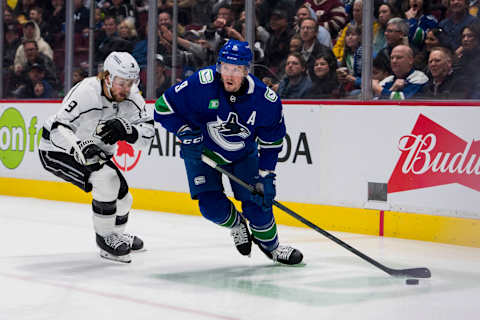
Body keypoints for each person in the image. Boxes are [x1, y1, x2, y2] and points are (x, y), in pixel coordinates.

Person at [153, 39, 303, 265]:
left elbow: (271, 143)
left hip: (242, 154)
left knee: (258, 205)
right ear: (219, 66)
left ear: (246, 70)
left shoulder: (265, 100)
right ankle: (237, 225)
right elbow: (162, 108)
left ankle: (273, 248)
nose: (229, 75)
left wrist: (267, 176)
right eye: (225, 68)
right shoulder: (201, 84)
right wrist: (184, 131)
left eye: (236, 69)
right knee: (210, 207)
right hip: (201, 152)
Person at [38, 52, 154, 263]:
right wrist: (79, 147)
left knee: (125, 198)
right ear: (107, 77)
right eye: (121, 82)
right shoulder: (86, 92)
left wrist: (129, 132)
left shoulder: (133, 97)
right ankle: (105, 240)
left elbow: (147, 135)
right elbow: (58, 129)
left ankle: (116, 234)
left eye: (131, 83)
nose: (126, 89)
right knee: (106, 180)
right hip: (57, 149)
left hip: (95, 151)